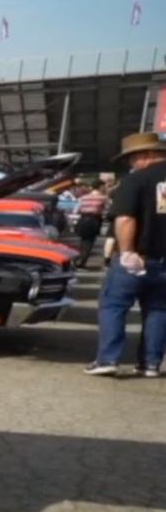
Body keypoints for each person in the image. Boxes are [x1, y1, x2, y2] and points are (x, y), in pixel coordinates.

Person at [86, 132, 166, 377]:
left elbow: (125, 219)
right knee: (159, 310)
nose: (131, 164)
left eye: (132, 158)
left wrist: (128, 251)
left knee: (113, 305)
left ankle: (108, 359)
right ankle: (150, 364)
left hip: (139, 257)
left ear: (145, 155)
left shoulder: (135, 181)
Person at [73, 179, 109, 268]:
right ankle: (81, 261)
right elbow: (107, 210)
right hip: (94, 221)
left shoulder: (83, 198)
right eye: (104, 187)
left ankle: (79, 259)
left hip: (82, 220)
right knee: (89, 242)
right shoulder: (103, 198)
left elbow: (75, 210)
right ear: (100, 187)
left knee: (83, 241)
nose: (105, 188)